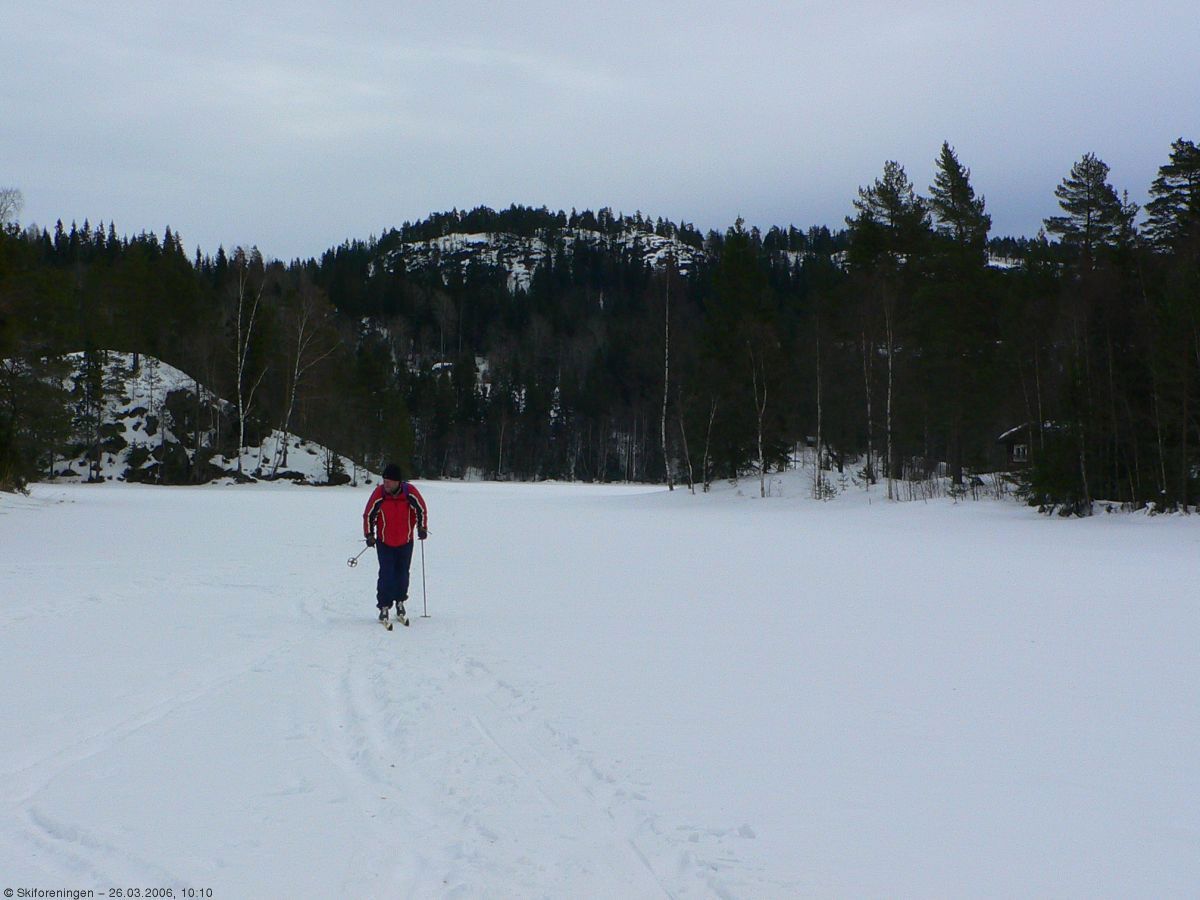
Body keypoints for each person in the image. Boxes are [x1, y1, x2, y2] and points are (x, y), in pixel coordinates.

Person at [362, 462, 428, 624]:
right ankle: (384, 606)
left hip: (405, 541)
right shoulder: (379, 494)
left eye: (389, 481)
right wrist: (369, 534)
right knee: (386, 574)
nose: (386, 484)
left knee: (402, 574)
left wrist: (422, 527)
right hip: (385, 542)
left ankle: (400, 602)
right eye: (384, 481)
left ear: (398, 482)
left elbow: (421, 510)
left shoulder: (409, 493)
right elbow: (368, 515)